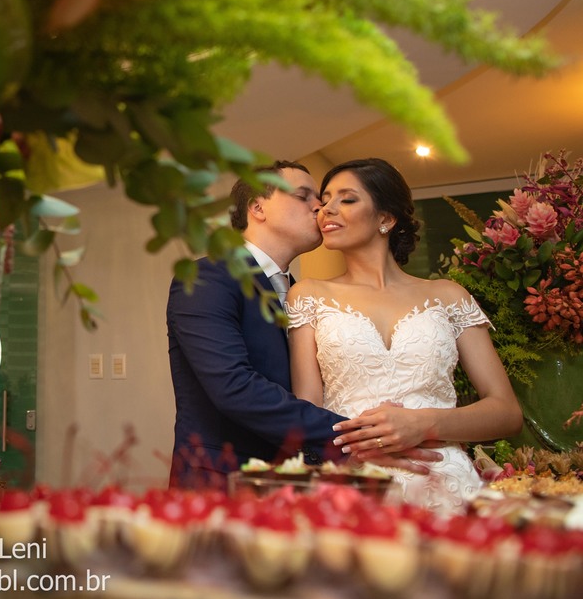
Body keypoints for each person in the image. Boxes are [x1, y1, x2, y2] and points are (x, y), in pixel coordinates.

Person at [167, 160, 437, 487]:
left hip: (297, 482)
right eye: (304, 196)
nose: (321, 207)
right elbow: (234, 387)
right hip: (223, 480)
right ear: (257, 207)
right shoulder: (207, 278)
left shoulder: (302, 294)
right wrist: (360, 436)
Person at [287, 158, 524, 512]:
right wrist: (341, 461)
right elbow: (307, 411)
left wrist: (424, 423)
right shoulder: (308, 295)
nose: (326, 209)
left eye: (347, 199)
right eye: (325, 199)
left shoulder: (448, 296)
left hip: (445, 484)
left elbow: (506, 412)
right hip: (354, 485)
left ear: (386, 218)